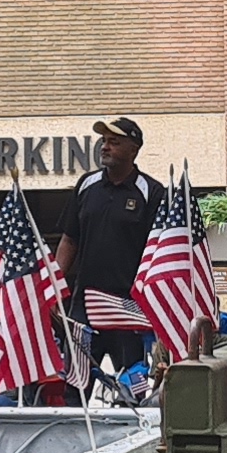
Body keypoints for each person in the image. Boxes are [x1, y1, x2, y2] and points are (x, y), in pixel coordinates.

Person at [62, 118, 168, 394]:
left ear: (134, 149)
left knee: (133, 391)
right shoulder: (87, 185)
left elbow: (160, 252)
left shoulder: (152, 192)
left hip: (129, 310)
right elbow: (69, 240)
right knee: (75, 390)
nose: (105, 147)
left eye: (114, 142)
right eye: (104, 141)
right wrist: (55, 286)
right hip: (83, 308)